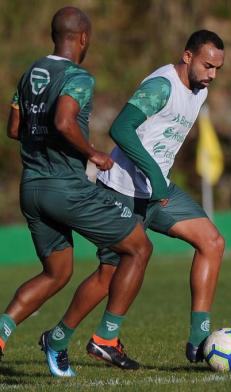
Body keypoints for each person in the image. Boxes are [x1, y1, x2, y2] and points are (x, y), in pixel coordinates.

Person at [44, 29, 226, 372]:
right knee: (110, 273)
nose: (212, 75)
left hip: (158, 191)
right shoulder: (162, 86)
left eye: (217, 68)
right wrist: (154, 176)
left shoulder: (199, 89)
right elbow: (122, 128)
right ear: (187, 57)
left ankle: (199, 337)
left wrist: (159, 181)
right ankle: (60, 339)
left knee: (212, 242)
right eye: (207, 65)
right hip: (124, 189)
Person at [0, 7, 154, 377]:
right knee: (138, 247)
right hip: (65, 188)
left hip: (32, 189)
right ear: (83, 38)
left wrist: (47, 140)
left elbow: (14, 128)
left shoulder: (30, 73)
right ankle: (98, 338)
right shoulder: (77, 77)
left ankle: (2, 332)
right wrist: (92, 153)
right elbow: (64, 120)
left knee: (57, 271)